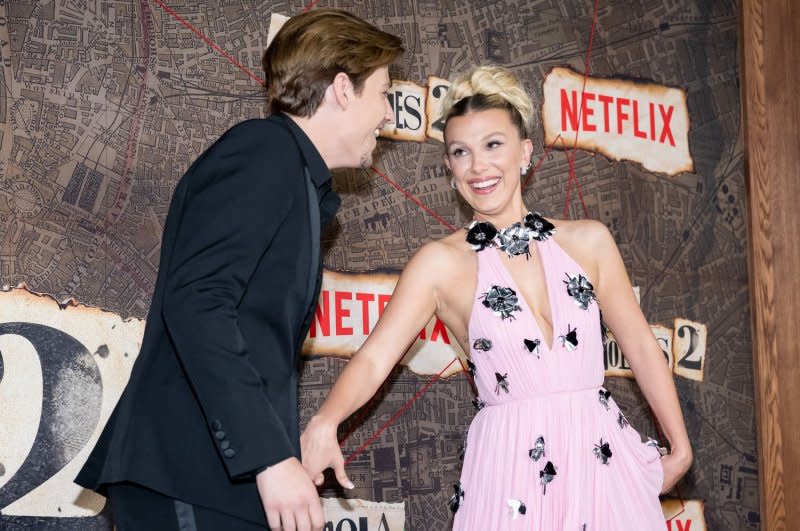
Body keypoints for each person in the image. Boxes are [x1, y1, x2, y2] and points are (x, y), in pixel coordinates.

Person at [300, 65, 692, 529]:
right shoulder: (439, 264)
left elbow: (642, 348)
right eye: (461, 153)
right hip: (510, 477)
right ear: (449, 168)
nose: (478, 166)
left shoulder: (589, 241)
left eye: (493, 145)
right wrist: (326, 421)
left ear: (525, 151)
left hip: (600, 465)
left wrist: (680, 446)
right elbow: (372, 361)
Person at [75, 9, 402, 531]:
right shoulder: (264, 152)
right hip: (191, 474)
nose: (388, 114)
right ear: (343, 88)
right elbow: (198, 301)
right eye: (384, 92)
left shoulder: (291, 175)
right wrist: (268, 457)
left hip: (216, 481)